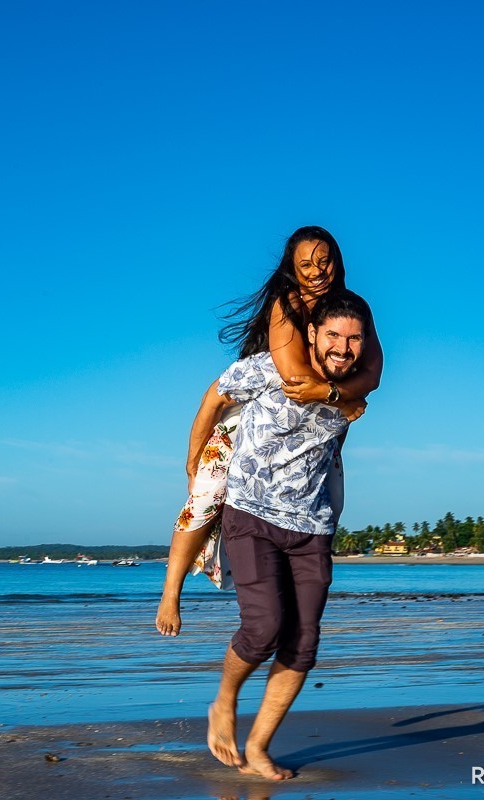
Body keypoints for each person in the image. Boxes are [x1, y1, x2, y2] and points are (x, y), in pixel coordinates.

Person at [155, 226, 382, 636]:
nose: (317, 271)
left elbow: (373, 374)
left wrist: (339, 394)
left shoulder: (352, 309)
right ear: (292, 270)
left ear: (338, 260)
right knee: (205, 497)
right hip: (256, 412)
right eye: (306, 264)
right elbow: (295, 378)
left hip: (314, 429)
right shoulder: (287, 304)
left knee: (328, 506)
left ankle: (289, 590)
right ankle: (171, 592)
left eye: (324, 260)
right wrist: (344, 397)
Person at [194, 289, 373, 780]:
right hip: (250, 515)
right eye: (333, 334)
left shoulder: (353, 393)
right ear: (312, 333)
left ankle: (258, 747)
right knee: (264, 627)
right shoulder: (268, 368)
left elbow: (346, 419)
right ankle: (224, 701)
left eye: (354, 338)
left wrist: (346, 399)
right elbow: (214, 397)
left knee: (304, 645)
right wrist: (193, 462)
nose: (342, 346)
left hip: (312, 527)